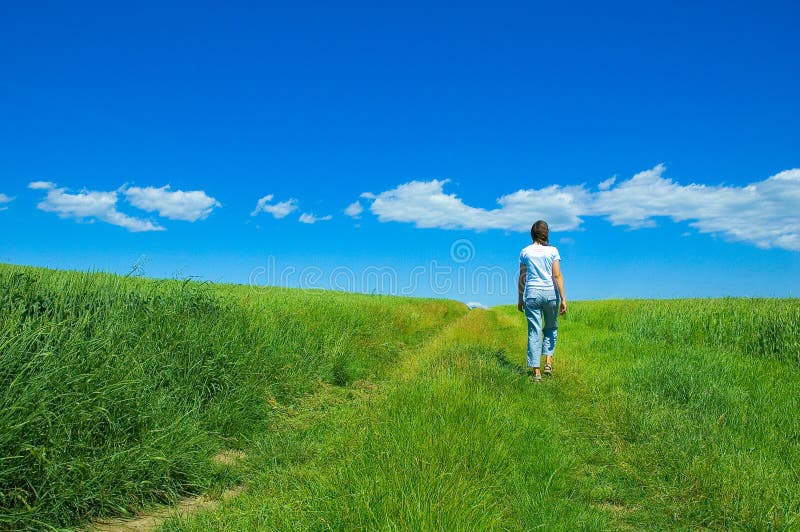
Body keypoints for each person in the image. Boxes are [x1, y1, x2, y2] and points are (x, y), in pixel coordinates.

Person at [517, 220, 567, 382]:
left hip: (531, 293)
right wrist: (564, 299)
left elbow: (522, 277)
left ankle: (536, 373)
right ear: (546, 234)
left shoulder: (525, 252)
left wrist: (520, 298)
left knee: (534, 331)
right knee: (551, 327)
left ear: (532, 234)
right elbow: (557, 275)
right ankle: (548, 363)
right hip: (550, 294)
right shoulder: (553, 251)